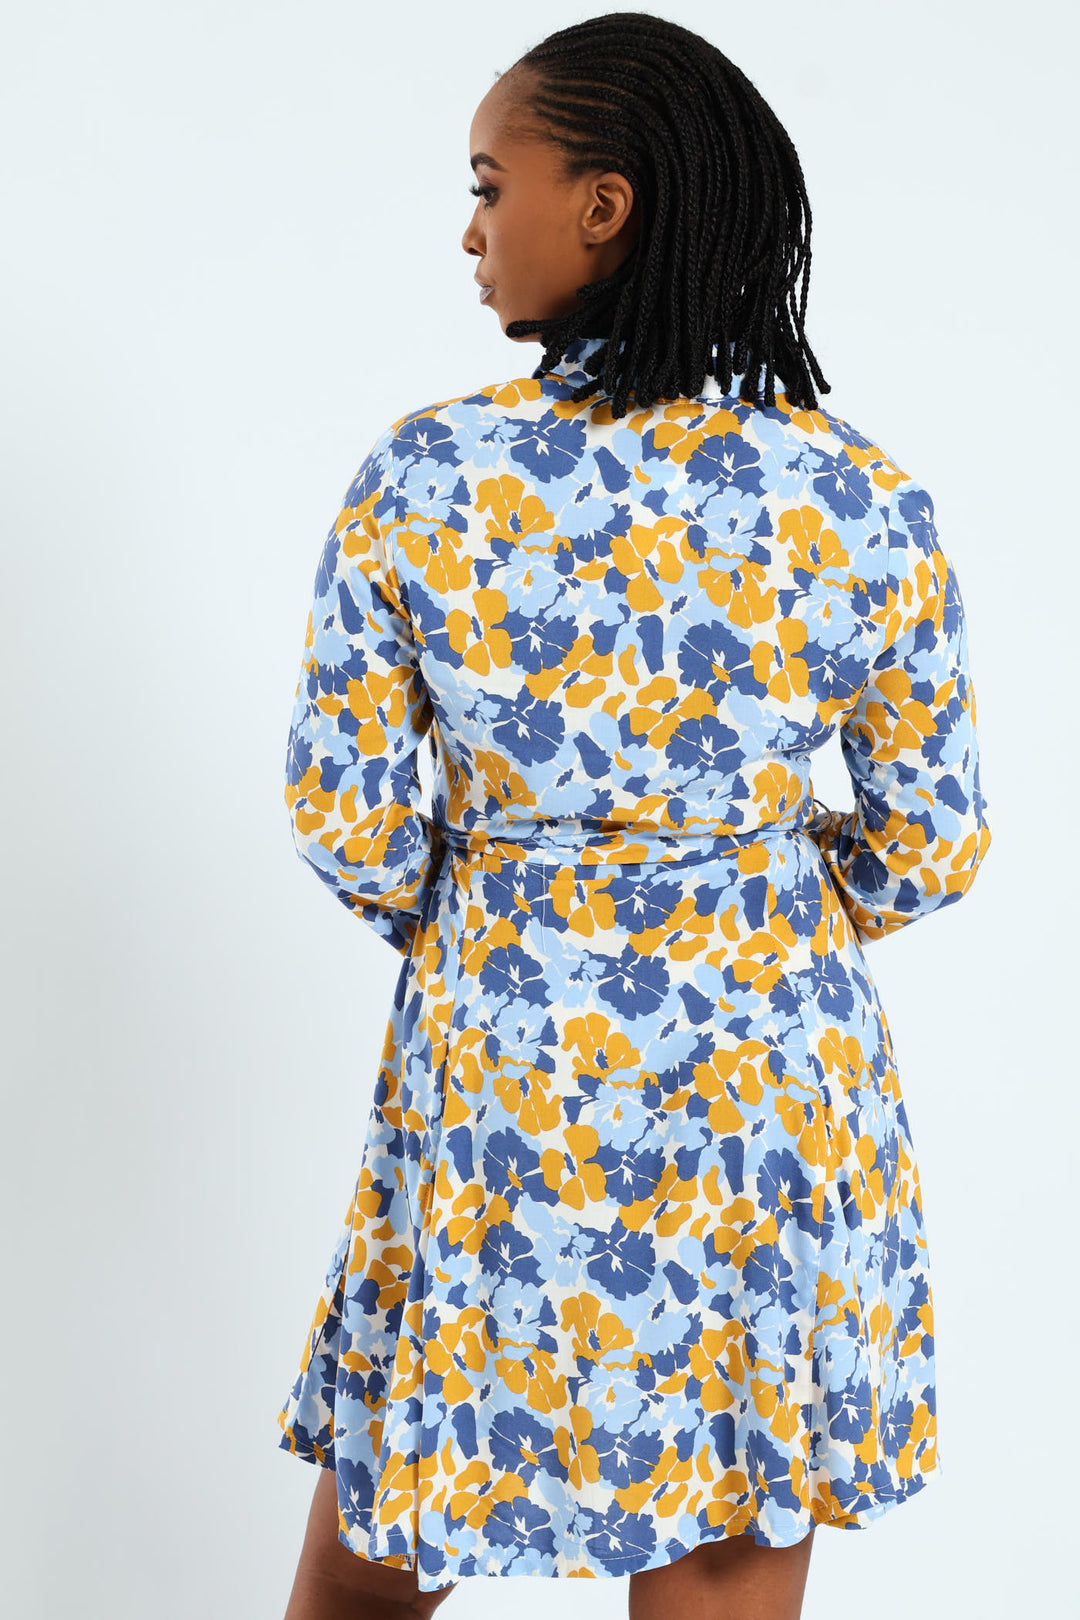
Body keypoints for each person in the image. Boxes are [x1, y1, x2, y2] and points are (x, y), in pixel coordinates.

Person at [276, 13, 993, 1619]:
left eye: (490, 184)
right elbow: (932, 839)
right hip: (763, 1094)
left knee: (377, 1556)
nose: (471, 230)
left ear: (603, 205)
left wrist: (516, 918)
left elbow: (348, 823)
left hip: (501, 1080)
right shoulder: (859, 494)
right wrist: (744, 903)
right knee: (727, 1558)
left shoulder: (428, 475)